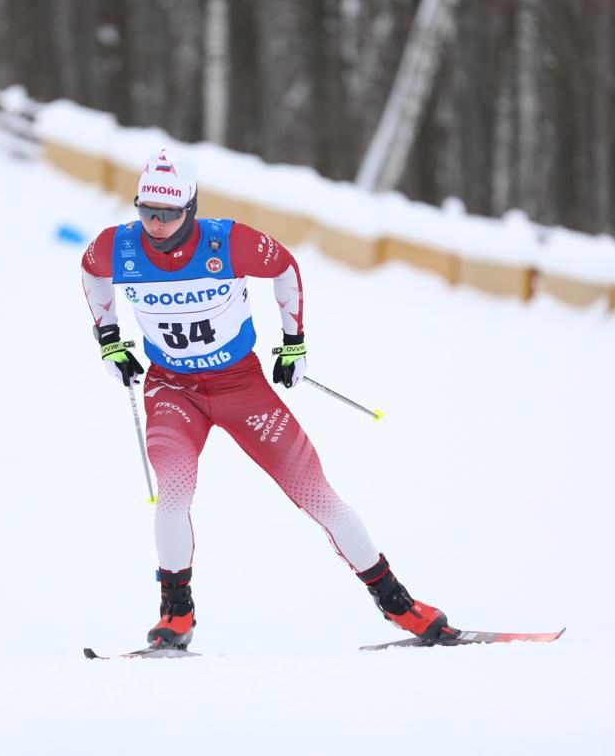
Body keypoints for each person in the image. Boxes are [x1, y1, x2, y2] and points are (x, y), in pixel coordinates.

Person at [80, 150, 455, 649]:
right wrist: (109, 338)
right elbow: (90, 272)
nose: (156, 223)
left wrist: (293, 341)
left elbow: (285, 267)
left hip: (241, 387)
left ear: (190, 207)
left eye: (169, 213)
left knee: (319, 495)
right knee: (171, 495)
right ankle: (176, 616)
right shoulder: (117, 247)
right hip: (172, 389)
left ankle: (401, 606)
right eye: (147, 210)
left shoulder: (227, 241)